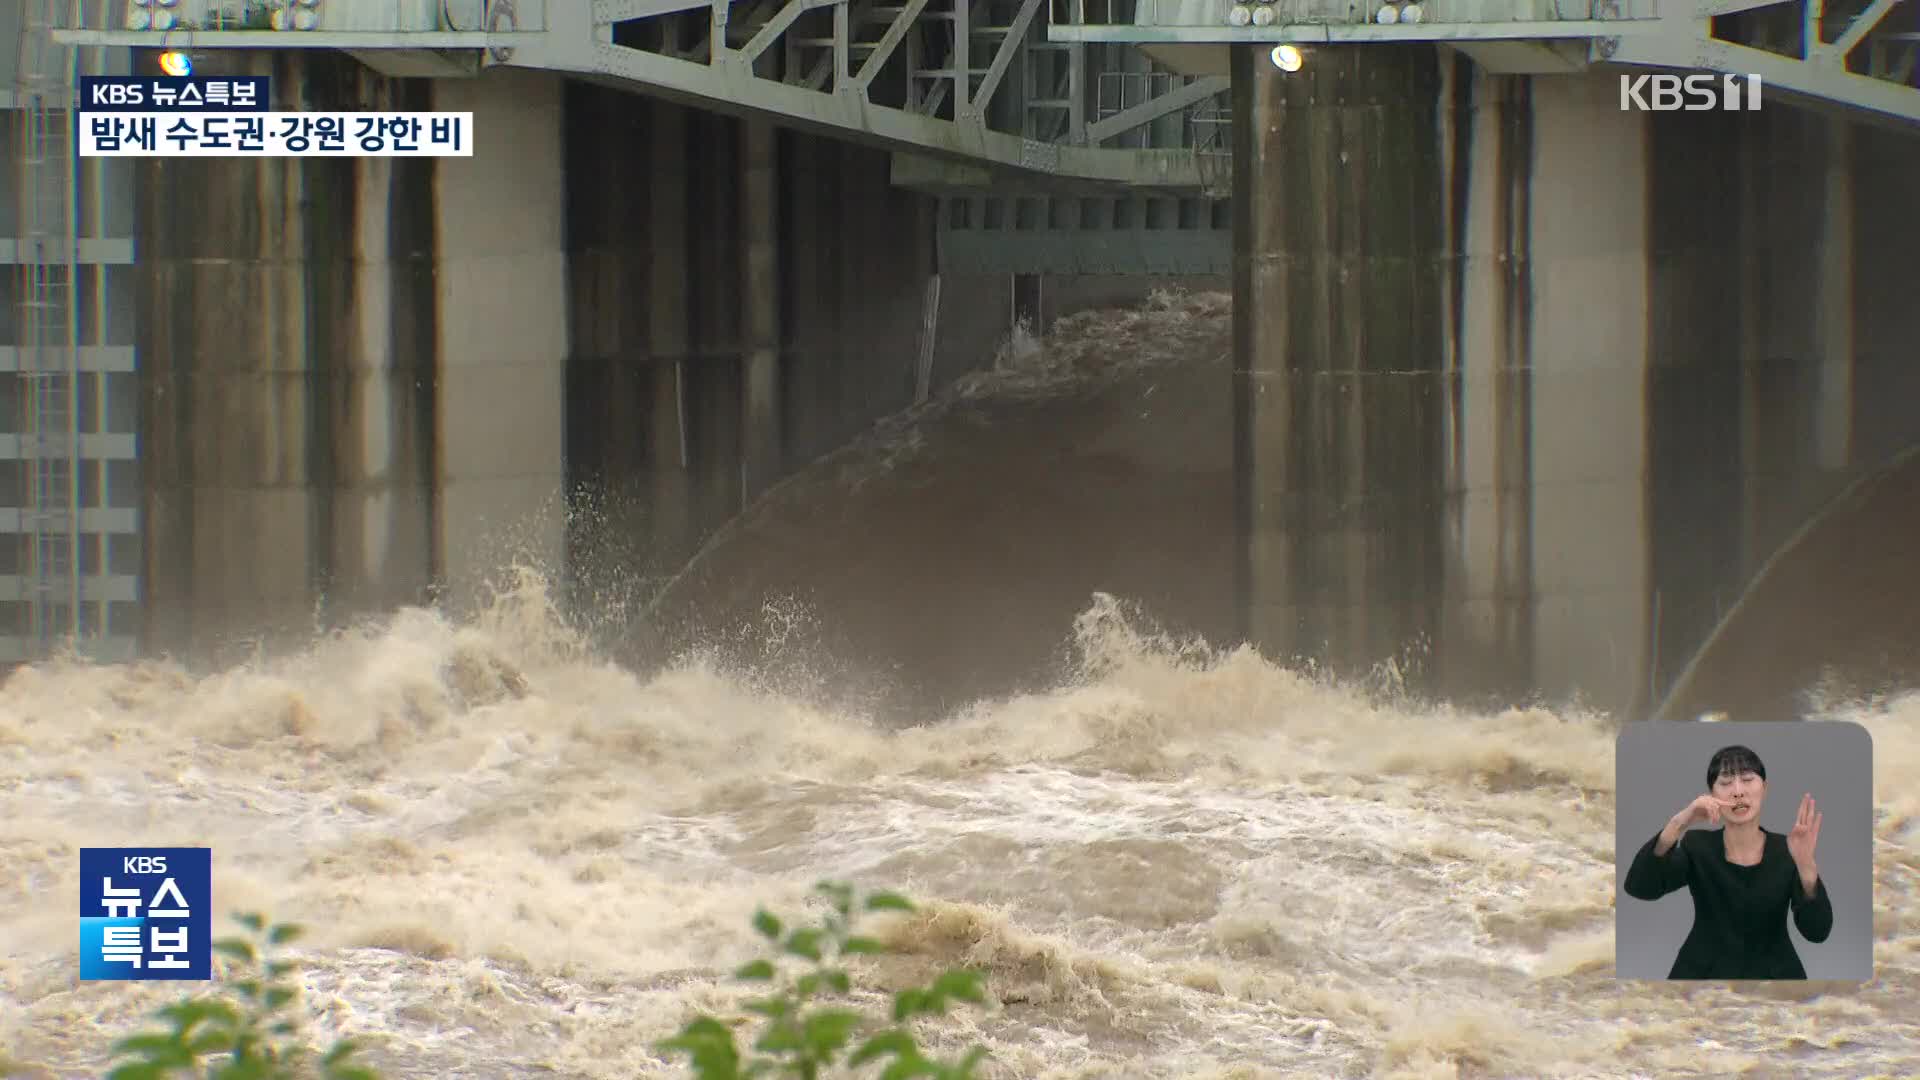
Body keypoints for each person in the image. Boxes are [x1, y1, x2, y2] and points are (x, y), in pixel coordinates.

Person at [1623, 744, 1833, 979]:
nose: (1737, 791)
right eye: (1725, 783)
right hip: (1702, 974)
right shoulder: (1698, 846)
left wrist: (1806, 867)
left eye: (1747, 780)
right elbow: (1640, 888)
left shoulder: (1789, 850)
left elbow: (1817, 932)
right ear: (1711, 795)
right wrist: (1679, 823)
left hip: (1775, 975)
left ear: (1764, 788)